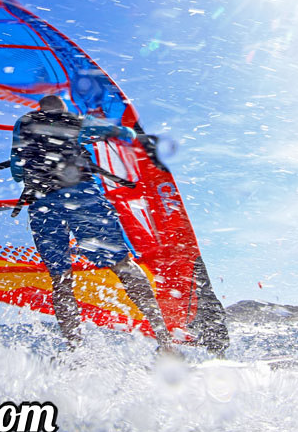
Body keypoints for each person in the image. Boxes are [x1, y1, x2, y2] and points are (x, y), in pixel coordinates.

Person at [11, 94, 175, 351]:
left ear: (40, 109)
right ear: (62, 108)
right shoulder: (75, 120)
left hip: (43, 205)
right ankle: (164, 339)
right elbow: (124, 133)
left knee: (61, 279)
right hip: (81, 198)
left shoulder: (23, 123)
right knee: (122, 264)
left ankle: (75, 349)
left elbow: (17, 172)